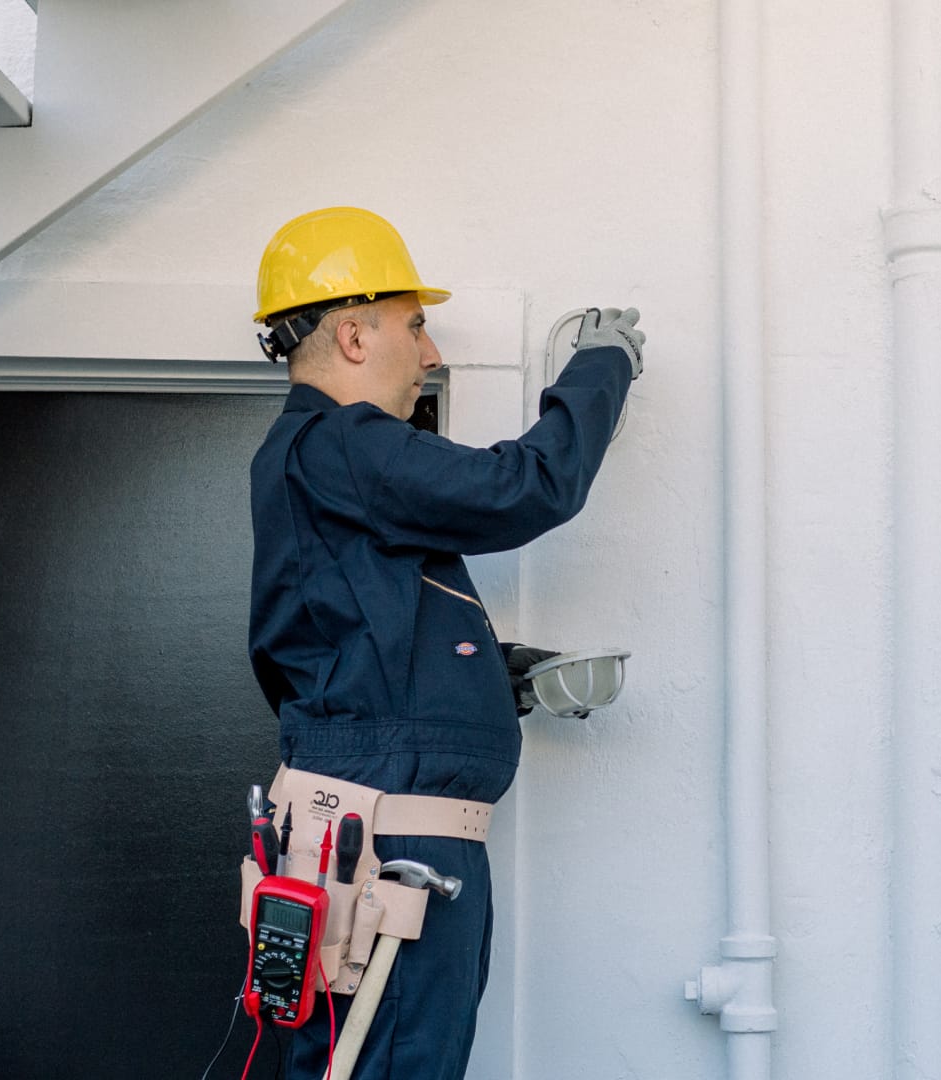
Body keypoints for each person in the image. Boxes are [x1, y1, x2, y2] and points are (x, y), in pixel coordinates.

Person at [246, 206, 641, 1078]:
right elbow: (521, 488)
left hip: (383, 837)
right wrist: (604, 365)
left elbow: (351, 643)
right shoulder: (340, 443)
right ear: (353, 334)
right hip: (390, 846)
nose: (430, 354)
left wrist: (496, 678)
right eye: (415, 326)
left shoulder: (314, 466)